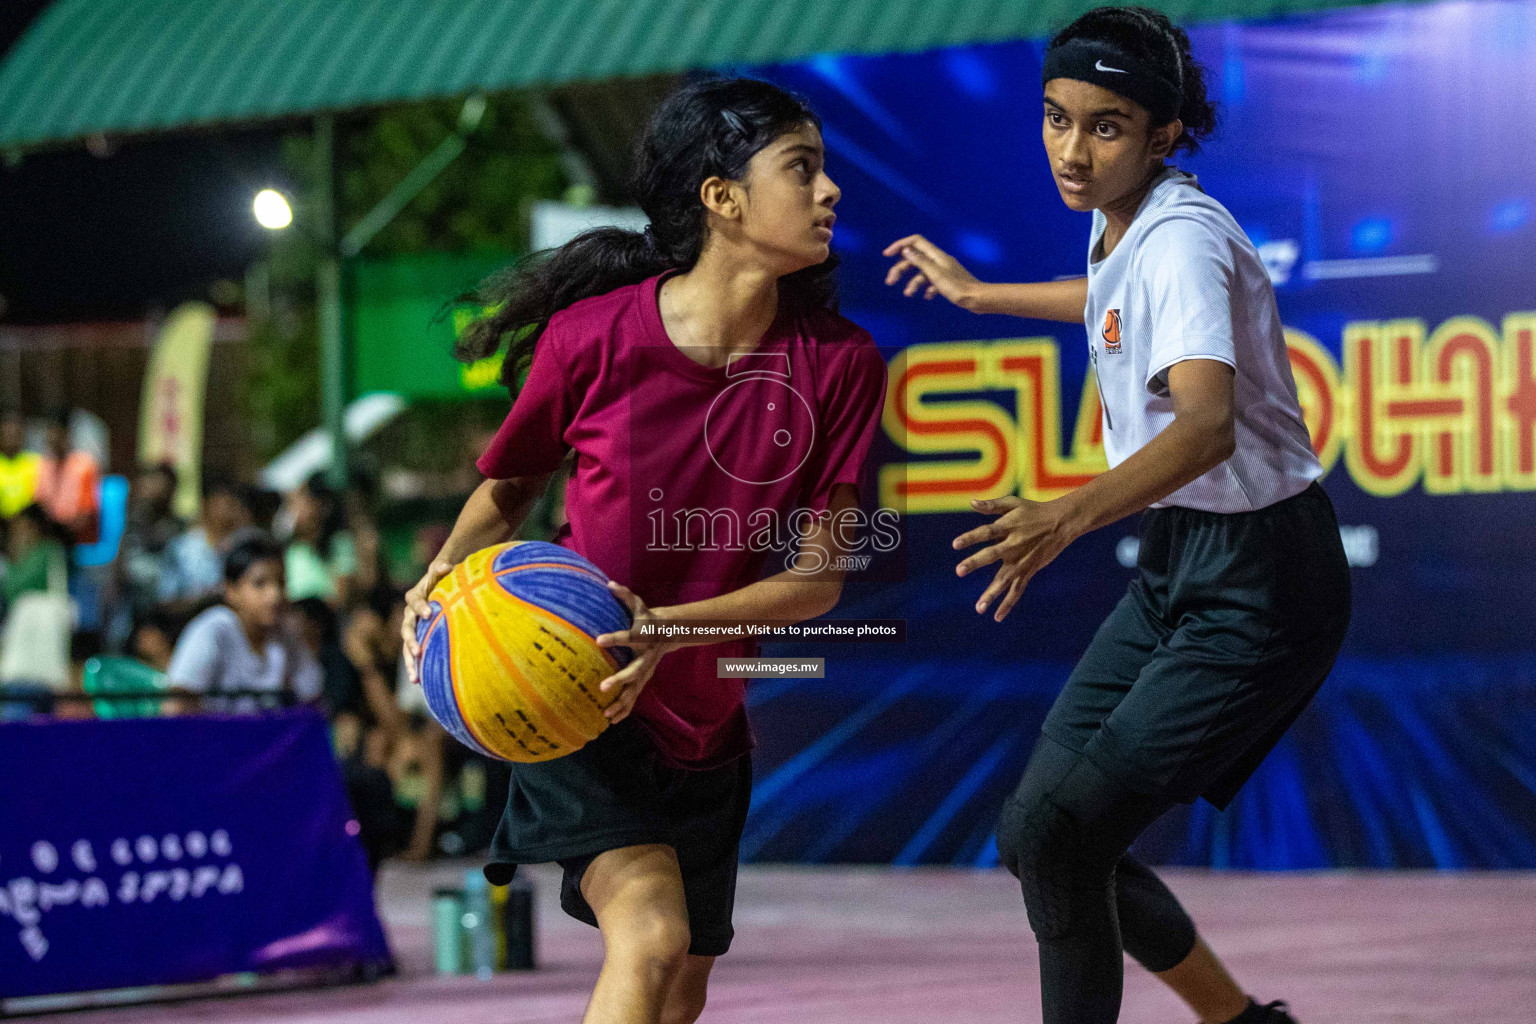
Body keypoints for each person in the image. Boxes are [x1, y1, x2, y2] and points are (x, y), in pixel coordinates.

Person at [883, 8, 1350, 1024]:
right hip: (1188, 552)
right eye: (1057, 118)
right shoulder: (1128, 217)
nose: (1072, 150)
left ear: (1164, 134)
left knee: (1058, 835)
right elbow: (1107, 295)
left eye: (1105, 127)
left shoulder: (1183, 241)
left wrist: (1064, 516)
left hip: (1264, 581)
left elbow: (1207, 429)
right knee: (1039, 836)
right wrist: (981, 296)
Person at [401, 77, 885, 1024]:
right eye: (804, 169)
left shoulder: (840, 364)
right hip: (574, 688)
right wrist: (433, 582)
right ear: (721, 195)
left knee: (680, 991)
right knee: (652, 939)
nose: (830, 191)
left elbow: (820, 581)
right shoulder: (589, 342)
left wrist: (669, 626)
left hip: (708, 725)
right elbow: (507, 492)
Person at [165, 534, 323, 712]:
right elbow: (175, 707)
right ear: (231, 591)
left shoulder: (287, 636)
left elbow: (314, 703)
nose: (275, 595)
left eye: (281, 583)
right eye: (260, 584)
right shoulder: (213, 631)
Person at [157, 474, 255, 613]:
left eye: (231, 505)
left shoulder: (246, 545)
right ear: (206, 505)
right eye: (220, 505)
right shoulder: (182, 548)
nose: (226, 512)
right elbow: (167, 598)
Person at [282, 474, 357, 606]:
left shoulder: (339, 544)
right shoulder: (290, 549)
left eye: (299, 501)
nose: (292, 511)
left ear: (320, 505)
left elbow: (341, 598)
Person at [34, 409, 100, 543]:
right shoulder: (42, 466)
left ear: (67, 434)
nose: (52, 437)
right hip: (48, 536)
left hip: (75, 537)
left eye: (56, 432)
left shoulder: (84, 465)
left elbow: (86, 512)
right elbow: (39, 505)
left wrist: (63, 531)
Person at [0, 408, 42, 520]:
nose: (11, 437)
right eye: (7, 433)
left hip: (29, 523)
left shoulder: (35, 462)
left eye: (15, 432)